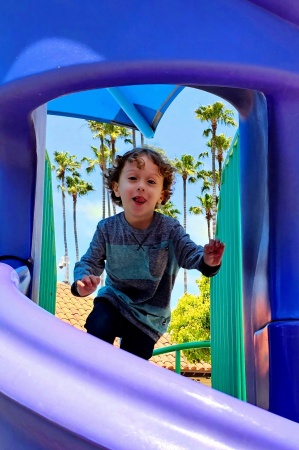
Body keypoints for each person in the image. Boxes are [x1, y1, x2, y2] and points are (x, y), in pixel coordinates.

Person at [71, 147, 225, 360]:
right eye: (133, 178)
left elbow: (191, 254)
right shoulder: (107, 229)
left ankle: (122, 389)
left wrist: (208, 260)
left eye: (151, 182)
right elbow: (90, 261)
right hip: (115, 300)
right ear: (117, 188)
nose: (141, 186)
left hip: (150, 316)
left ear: (161, 195)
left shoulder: (170, 230)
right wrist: (82, 280)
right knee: (100, 323)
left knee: (134, 360)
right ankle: (93, 372)